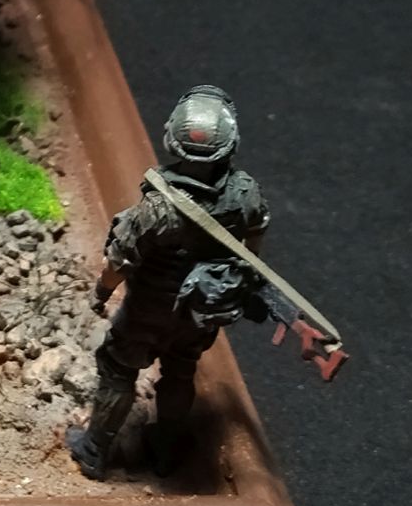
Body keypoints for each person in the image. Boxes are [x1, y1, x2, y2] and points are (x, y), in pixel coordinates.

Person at [69, 85, 270, 479]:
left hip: (147, 310)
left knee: (118, 369)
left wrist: (102, 291)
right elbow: (255, 236)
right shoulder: (245, 194)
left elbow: (119, 261)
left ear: (172, 141)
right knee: (180, 369)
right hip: (198, 311)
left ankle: (94, 450)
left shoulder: (157, 208)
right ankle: (166, 449)